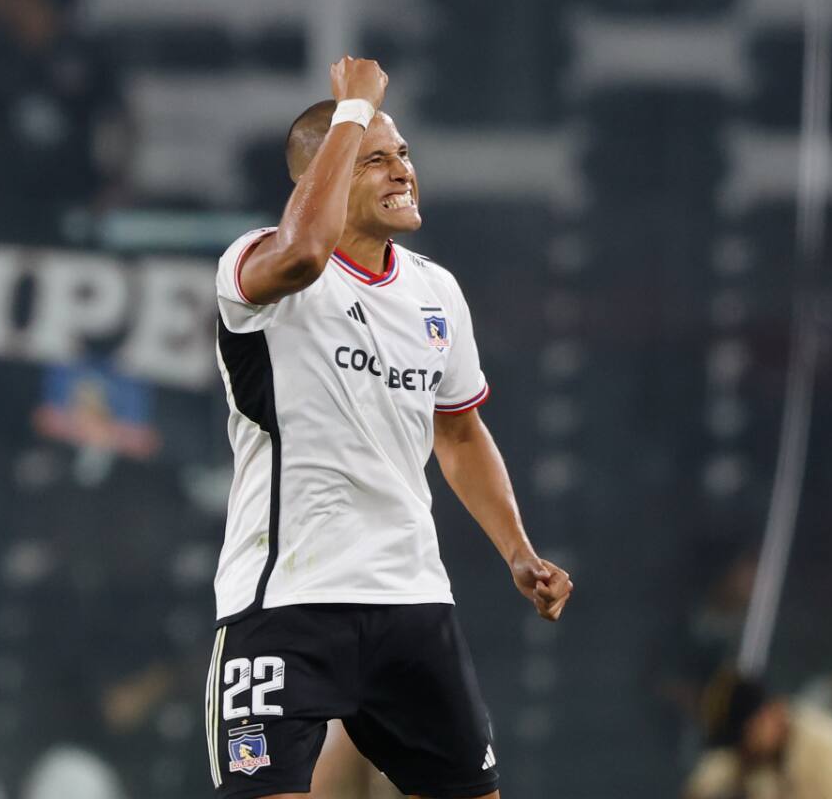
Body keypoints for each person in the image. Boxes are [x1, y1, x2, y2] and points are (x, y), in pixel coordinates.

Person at [206, 56, 573, 799]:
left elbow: (461, 433)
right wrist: (351, 111)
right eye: (374, 160)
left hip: (411, 602)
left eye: (402, 154)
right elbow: (309, 251)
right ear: (323, 177)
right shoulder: (256, 266)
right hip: (284, 607)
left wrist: (517, 551)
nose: (402, 170)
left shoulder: (436, 290)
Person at [685, 669, 832, 799]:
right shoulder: (754, 759)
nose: (741, 751)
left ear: (769, 716)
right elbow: (710, 780)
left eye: (743, 740)